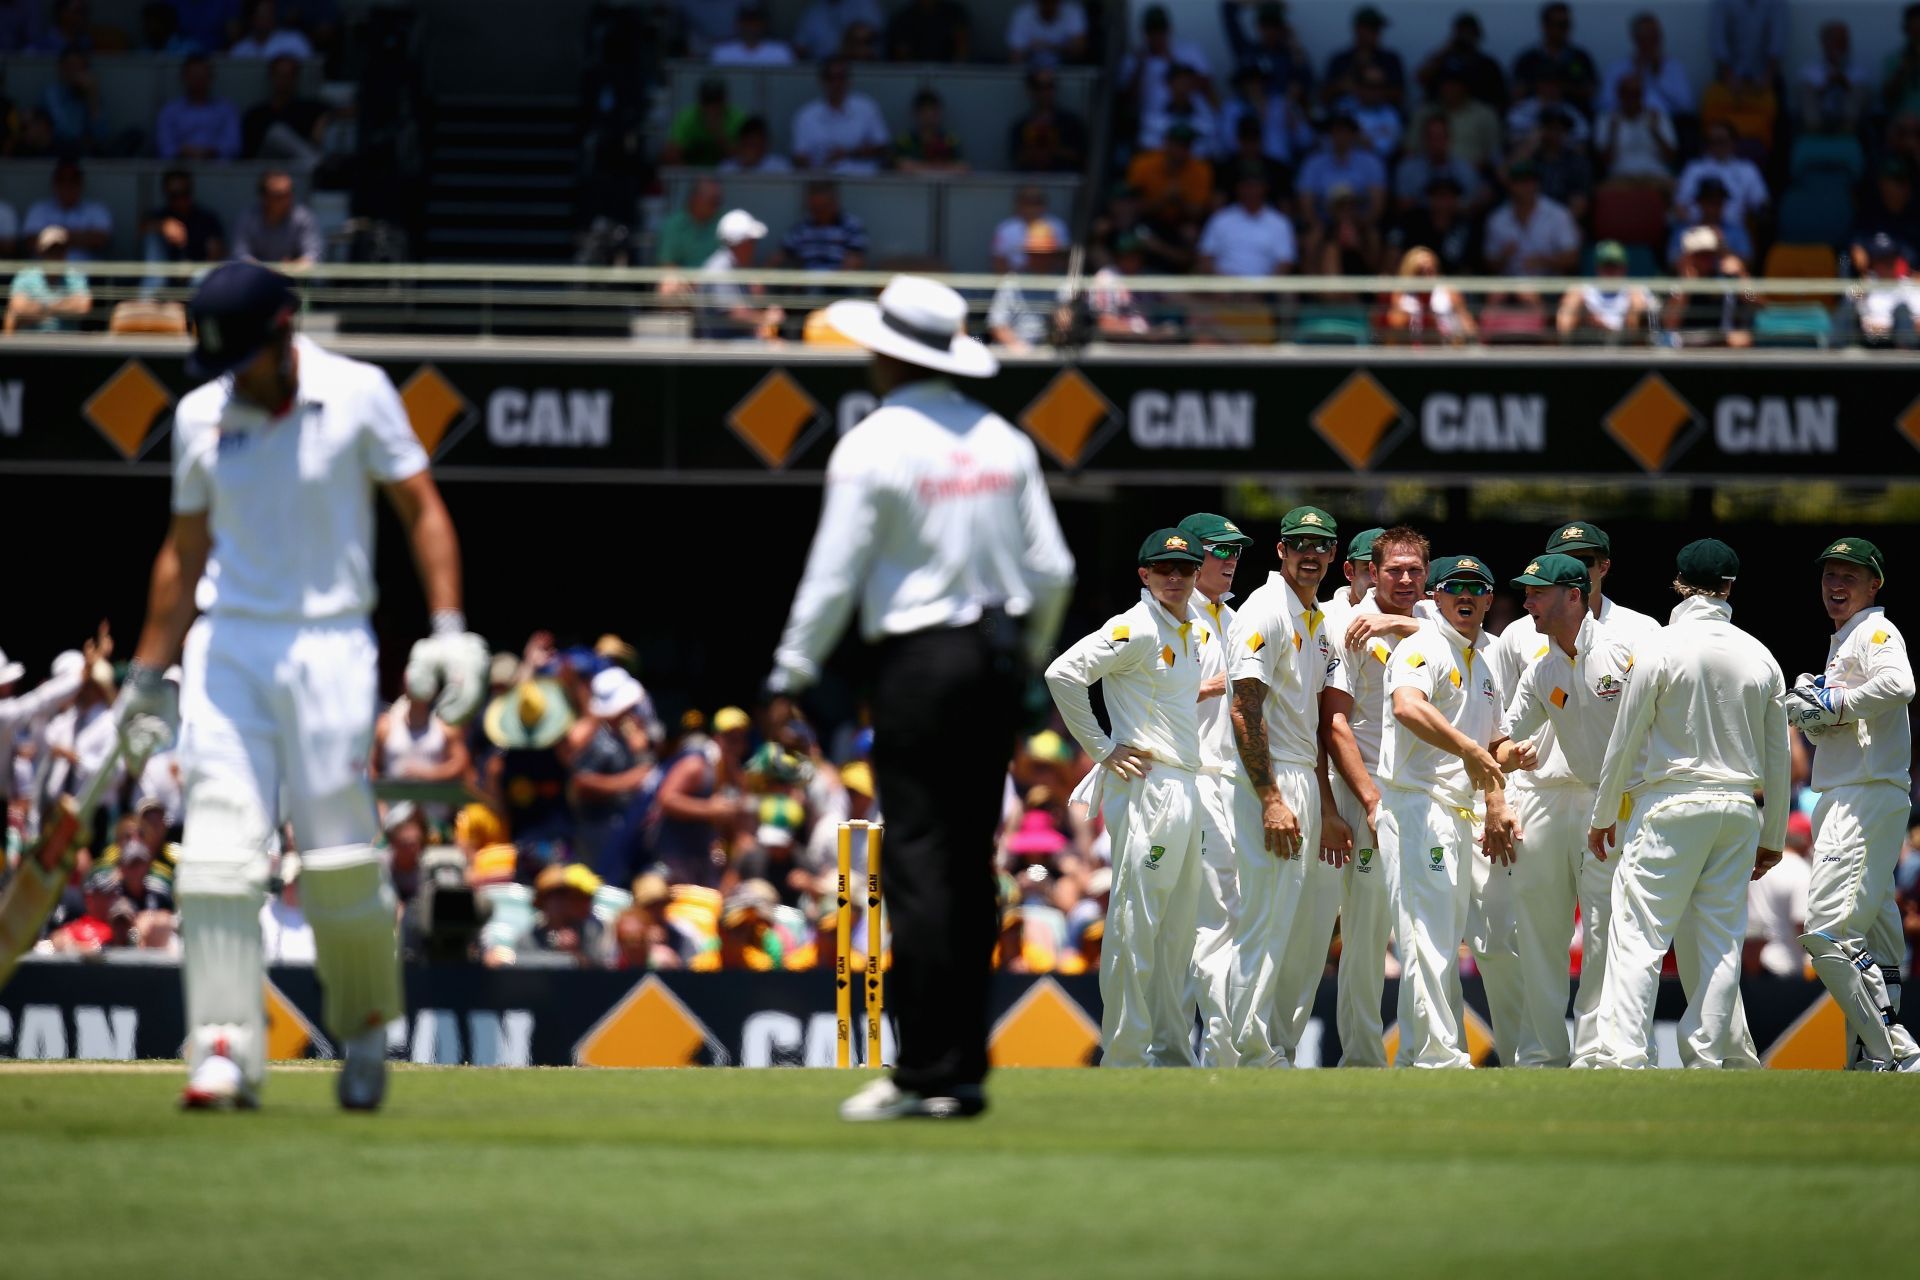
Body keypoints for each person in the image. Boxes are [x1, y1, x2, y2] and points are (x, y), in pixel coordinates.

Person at [111, 262, 489, 1110]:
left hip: (331, 645)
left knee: (338, 855)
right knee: (216, 847)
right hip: (229, 646)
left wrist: (451, 629)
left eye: (244, 355)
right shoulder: (201, 412)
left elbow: (421, 507)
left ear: (284, 334)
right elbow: (183, 548)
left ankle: (361, 1033)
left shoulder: (358, 393)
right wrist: (145, 675)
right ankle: (222, 1047)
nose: (232, 375)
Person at [768, 275, 1074, 1119]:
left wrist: (790, 672)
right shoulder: (1003, 440)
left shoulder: (873, 444)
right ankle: (963, 1070)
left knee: (917, 862)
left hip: (916, 664)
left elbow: (833, 576)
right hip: (995, 659)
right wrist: (1028, 658)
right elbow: (1054, 570)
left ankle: (923, 1072)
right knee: (970, 865)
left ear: (884, 355)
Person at [1587, 539, 1788, 1070]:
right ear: (1730, 588)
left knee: (1639, 934)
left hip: (1671, 804)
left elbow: (1624, 741)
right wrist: (1772, 838)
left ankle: (1623, 1055)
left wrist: (1603, 815)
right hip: (1738, 809)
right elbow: (1779, 758)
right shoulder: (1760, 654)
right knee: (1721, 941)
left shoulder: (1660, 647)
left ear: (1678, 583)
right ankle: (1706, 1056)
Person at [1046, 529, 1211, 1067]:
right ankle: (1123, 1053)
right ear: (1144, 575)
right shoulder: (1135, 626)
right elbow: (1064, 673)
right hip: (1149, 786)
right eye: (1164, 569)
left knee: (1178, 927)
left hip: (1185, 783)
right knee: (1137, 921)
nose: (1175, 577)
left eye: (1185, 570)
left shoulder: (1190, 629)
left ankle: (1169, 1049)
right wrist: (1102, 748)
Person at [1378, 554, 1526, 1068]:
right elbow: (1407, 706)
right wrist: (1471, 749)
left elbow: (1495, 740)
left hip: (1455, 813)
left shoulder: (1482, 659)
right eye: (1454, 587)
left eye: (1476, 588)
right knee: (1427, 937)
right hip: (1418, 805)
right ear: (1434, 597)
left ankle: (1422, 1054)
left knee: (1440, 938)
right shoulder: (1423, 646)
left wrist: (1513, 754)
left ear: (1489, 598)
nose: (1466, 595)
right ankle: (1439, 1055)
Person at [1495, 554, 1642, 1068]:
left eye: (1537, 593)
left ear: (1574, 596)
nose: (1527, 602)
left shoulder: (1626, 650)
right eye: (1527, 593)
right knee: (1537, 930)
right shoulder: (1543, 667)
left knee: (1605, 930)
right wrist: (1506, 755)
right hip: (1546, 799)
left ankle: (1597, 1051)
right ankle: (1540, 1053)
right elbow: (1504, 736)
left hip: (1617, 802)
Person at [1782, 537, 1920, 1071]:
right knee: (1877, 936)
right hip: (1855, 790)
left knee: (1827, 933)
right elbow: (1843, 717)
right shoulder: (1844, 640)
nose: (1836, 586)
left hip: (1863, 795)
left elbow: (1900, 683)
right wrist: (1815, 706)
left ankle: (1898, 1050)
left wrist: (1832, 702)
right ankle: (1868, 1057)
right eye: (1829, 576)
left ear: (1874, 585)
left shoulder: (1875, 630)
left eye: (1849, 577)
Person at [1222, 506, 1346, 1067]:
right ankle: (1243, 1048)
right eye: (1300, 544)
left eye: (1321, 545)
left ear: (1334, 553)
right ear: (1281, 550)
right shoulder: (1265, 610)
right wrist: (1271, 797)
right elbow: (1244, 707)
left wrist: (1319, 801)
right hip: (1269, 780)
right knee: (1264, 918)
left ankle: (1262, 1046)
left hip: (1299, 776)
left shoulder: (1313, 617)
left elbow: (1314, 727)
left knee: (1291, 926)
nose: (1311, 554)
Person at [1322, 526, 1428, 1066]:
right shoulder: (1345, 625)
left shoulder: (1433, 618)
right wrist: (1367, 800)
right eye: (1393, 570)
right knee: (1365, 937)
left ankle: (1422, 1054)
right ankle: (1361, 1058)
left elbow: (1485, 647)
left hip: (1428, 795)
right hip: (1367, 791)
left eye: (1415, 571)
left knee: (1427, 937)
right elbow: (1334, 723)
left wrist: (1401, 622)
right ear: (1371, 572)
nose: (1405, 580)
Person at [1168, 513, 1252, 1065]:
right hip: (1185, 779)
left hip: (1227, 782)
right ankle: (1170, 1050)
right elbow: (1145, 697)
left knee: (1223, 918)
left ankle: (1219, 1049)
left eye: (1235, 551)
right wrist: (1215, 685)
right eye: (1219, 551)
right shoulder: (1171, 616)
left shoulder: (1236, 617)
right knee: (1178, 925)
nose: (1229, 561)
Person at [1484, 161, 1580, 291]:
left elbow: (1572, 258)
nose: (1526, 187)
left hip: (1548, 287)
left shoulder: (1558, 214)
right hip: (1508, 289)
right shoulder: (1497, 219)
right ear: (1510, 185)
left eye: (1531, 181)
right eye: (1520, 182)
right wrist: (1502, 258)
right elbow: (1489, 264)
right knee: (1495, 293)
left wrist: (1544, 261)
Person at [791, 58, 889, 175]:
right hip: (823, 183)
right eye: (831, 78)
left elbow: (883, 148)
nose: (836, 84)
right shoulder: (806, 115)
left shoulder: (866, 108)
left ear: (849, 80)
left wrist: (849, 153)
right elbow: (799, 156)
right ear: (822, 81)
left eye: (841, 77)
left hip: (864, 180)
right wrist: (820, 166)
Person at [697, 209, 783, 341]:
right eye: (751, 241)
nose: (754, 246)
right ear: (740, 243)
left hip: (737, 339)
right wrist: (766, 318)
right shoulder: (719, 268)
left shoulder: (736, 266)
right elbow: (735, 315)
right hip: (721, 346)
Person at [1197, 167, 1295, 277]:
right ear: (1238, 188)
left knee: (1289, 293)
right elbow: (1205, 256)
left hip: (1265, 287)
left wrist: (1262, 288)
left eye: (1255, 186)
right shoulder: (1220, 219)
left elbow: (1285, 262)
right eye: (1246, 186)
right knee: (1177, 292)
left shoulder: (1279, 222)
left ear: (1265, 188)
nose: (1250, 191)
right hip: (1223, 286)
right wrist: (1223, 284)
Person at [987, 222, 1068, 351]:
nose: (1040, 259)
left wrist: (1065, 321)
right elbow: (997, 325)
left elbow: (1066, 322)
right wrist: (1017, 346)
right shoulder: (1011, 282)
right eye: (1035, 254)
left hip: (1049, 353)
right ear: (1028, 255)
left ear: (1053, 256)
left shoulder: (1062, 284)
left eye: (1045, 254)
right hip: (1014, 354)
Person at [1674, 123, 1769, 230]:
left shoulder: (1747, 169)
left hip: (1732, 227)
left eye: (1721, 141)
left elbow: (1761, 203)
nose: (1717, 146)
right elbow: (1680, 204)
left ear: (1733, 142)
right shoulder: (1694, 168)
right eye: (1712, 142)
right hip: (1696, 226)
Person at [1599, 12, 1694, 117]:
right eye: (1646, 37)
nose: (1652, 43)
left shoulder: (1675, 68)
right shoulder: (1617, 68)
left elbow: (1687, 106)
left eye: (1655, 37)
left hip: (1667, 123)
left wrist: (1658, 78)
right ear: (1635, 39)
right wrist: (1633, 82)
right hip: (1627, 123)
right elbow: (1604, 105)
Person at [243, 53, 329, 161]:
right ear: (271, 76)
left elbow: (344, 110)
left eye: (289, 75)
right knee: (277, 132)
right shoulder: (256, 114)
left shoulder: (308, 108)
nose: (284, 80)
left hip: (298, 167)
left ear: (296, 78)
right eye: (279, 75)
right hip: (265, 167)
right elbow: (248, 154)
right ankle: (319, 165)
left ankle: (316, 164)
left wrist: (326, 117)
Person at [5, 227, 92, 333]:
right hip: (30, 345)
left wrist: (42, 309)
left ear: (66, 253)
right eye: (51, 252)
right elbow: (18, 309)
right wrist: (61, 307)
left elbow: (82, 307)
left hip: (67, 346)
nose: (55, 257)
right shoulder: (25, 277)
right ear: (41, 253)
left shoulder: (75, 277)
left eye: (59, 251)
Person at [156, 52, 241, 161]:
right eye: (194, 75)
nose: (198, 80)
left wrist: (210, 151)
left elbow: (233, 147)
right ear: (184, 77)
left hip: (218, 171)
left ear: (211, 77)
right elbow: (165, 148)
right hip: (179, 169)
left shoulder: (227, 110)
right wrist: (183, 151)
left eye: (203, 75)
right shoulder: (169, 111)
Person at [1415, 12, 1507, 111]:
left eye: (1470, 33)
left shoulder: (1488, 65)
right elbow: (1420, 78)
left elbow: (1501, 99)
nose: (1465, 37)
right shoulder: (1442, 61)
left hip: (1476, 115)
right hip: (1441, 115)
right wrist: (1445, 50)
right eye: (1462, 33)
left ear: (1478, 35)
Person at [1513, 2, 1597, 111]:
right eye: (1560, 25)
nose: (1565, 30)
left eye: (1567, 24)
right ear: (1545, 26)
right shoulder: (1528, 60)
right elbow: (1517, 92)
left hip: (1573, 120)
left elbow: (1590, 90)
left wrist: (1562, 88)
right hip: (1535, 119)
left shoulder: (1578, 59)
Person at [1597, 72, 1677, 185]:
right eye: (1627, 94)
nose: (1632, 99)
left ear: (1642, 95)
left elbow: (1671, 157)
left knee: (1677, 190)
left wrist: (1655, 132)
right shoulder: (1606, 120)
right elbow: (1605, 161)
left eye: (1636, 94)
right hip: (1621, 177)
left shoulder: (1658, 117)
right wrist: (1613, 133)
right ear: (1619, 94)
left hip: (1655, 175)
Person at [1558, 240, 1648, 339]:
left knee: (1637, 301)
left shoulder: (1637, 290)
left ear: (1624, 268)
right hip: (1590, 341)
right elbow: (1565, 324)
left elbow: (1654, 321)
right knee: (1573, 298)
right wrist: (1587, 317)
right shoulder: (1583, 290)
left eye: (1615, 266)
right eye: (1606, 266)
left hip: (1625, 342)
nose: (1610, 272)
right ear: (1598, 268)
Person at [1385, 246, 1475, 344]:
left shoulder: (1448, 292)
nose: (1426, 278)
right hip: (1411, 351)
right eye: (1420, 272)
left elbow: (1468, 325)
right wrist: (1414, 315)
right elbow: (1393, 326)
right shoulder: (1402, 294)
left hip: (1445, 349)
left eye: (1430, 271)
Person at [24, 161, 112, 261]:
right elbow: (31, 241)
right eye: (62, 180)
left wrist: (56, 236)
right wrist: (81, 237)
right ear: (54, 184)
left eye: (73, 180)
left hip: (85, 273)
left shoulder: (96, 209)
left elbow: (100, 239)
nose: (67, 185)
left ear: (81, 184)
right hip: (43, 274)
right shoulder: (39, 209)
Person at [231, 171, 323, 267]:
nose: (286, 200)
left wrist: (293, 267)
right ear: (264, 197)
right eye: (279, 196)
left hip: (294, 278)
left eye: (288, 194)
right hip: (255, 278)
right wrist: (266, 270)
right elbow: (239, 255)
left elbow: (314, 255)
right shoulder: (248, 218)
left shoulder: (303, 217)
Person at [142, 169, 228, 271]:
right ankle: (154, 285)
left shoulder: (206, 219)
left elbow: (217, 255)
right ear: (165, 194)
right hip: (164, 275)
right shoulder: (158, 215)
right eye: (174, 195)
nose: (180, 200)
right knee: (152, 237)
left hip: (197, 275)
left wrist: (193, 268)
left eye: (185, 193)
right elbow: (142, 228)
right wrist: (163, 226)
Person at [1321, 6, 1404, 110]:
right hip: (1345, 118)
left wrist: (1371, 91)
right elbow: (1323, 96)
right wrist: (1341, 86)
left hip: (1381, 118)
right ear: (1357, 29)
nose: (1376, 34)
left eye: (1377, 30)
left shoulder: (1390, 60)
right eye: (1371, 29)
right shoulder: (1340, 60)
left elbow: (1399, 94)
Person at [1010, 67, 1087, 174]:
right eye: (1039, 87)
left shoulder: (1072, 123)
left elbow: (1081, 155)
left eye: (1050, 86)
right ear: (1030, 90)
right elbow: (1015, 159)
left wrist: (1053, 150)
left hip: (1064, 179)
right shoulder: (1020, 125)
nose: (1045, 92)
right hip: (1029, 181)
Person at [779, 181, 868, 273]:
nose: (819, 211)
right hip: (806, 280)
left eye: (823, 207)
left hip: (839, 281)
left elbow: (856, 256)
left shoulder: (851, 226)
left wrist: (837, 280)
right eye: (814, 207)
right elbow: (782, 253)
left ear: (834, 204)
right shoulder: (802, 227)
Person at [1802, 21, 1869, 134]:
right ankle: (1814, 131)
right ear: (1824, 43)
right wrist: (1827, 84)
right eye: (1836, 41)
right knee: (1806, 89)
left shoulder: (1859, 71)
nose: (1841, 46)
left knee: (1859, 88)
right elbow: (1808, 101)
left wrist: (1844, 83)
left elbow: (1863, 101)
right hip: (1819, 120)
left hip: (1850, 122)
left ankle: (1847, 130)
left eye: (1844, 41)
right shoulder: (1809, 71)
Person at [662, 78, 743, 168]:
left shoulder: (737, 119)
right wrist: (690, 176)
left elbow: (745, 156)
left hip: (728, 177)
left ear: (725, 101)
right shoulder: (687, 119)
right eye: (708, 102)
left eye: (717, 101)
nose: (712, 108)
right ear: (700, 102)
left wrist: (718, 134)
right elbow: (670, 154)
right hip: (692, 177)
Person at [656, 177, 723, 270]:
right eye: (713, 201)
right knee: (669, 283)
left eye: (719, 201)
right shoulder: (674, 225)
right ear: (695, 199)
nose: (717, 206)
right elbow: (666, 264)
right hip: (684, 282)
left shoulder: (724, 222)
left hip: (718, 281)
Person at [893, 90, 965, 174]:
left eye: (933, 111)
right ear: (915, 113)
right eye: (924, 111)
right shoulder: (905, 141)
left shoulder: (950, 140)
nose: (929, 116)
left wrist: (920, 168)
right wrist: (940, 168)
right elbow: (901, 166)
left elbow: (962, 168)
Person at [794, 0, 882, 61]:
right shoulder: (814, 12)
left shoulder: (863, 4)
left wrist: (849, 42)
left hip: (860, 69)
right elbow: (799, 48)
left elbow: (870, 34)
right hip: (824, 70)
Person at [1006, 0, 1087, 67]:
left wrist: (1050, 47)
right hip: (1031, 73)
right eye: (1045, 2)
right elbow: (1014, 57)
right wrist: (1030, 49)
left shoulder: (1072, 10)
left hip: (1065, 70)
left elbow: (1079, 49)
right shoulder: (1023, 14)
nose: (1049, 6)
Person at [710, 4, 793, 65]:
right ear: (738, 24)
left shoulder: (780, 52)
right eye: (747, 22)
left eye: (755, 23)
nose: (751, 27)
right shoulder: (721, 53)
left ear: (764, 25)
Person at [887, 0, 968, 62]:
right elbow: (901, 57)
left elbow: (962, 50)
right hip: (913, 76)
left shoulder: (954, 14)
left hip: (948, 75)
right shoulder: (904, 18)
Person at [719, 116, 791, 175]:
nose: (750, 150)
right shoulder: (727, 167)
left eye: (754, 145)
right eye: (747, 144)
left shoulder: (780, 167)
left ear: (765, 144)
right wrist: (745, 167)